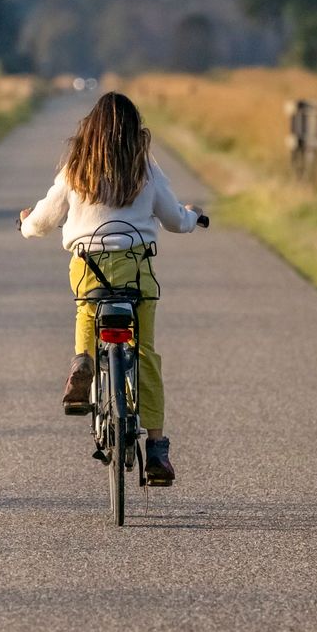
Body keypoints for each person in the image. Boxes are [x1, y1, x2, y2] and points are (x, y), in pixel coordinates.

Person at [17, 92, 205, 485]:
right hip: (136, 270)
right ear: (136, 130)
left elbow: (44, 219)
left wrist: (25, 223)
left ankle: (82, 359)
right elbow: (173, 219)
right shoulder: (146, 169)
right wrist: (191, 217)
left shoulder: (76, 168)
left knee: (88, 309)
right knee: (145, 352)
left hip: (89, 266)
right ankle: (155, 447)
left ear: (90, 128)